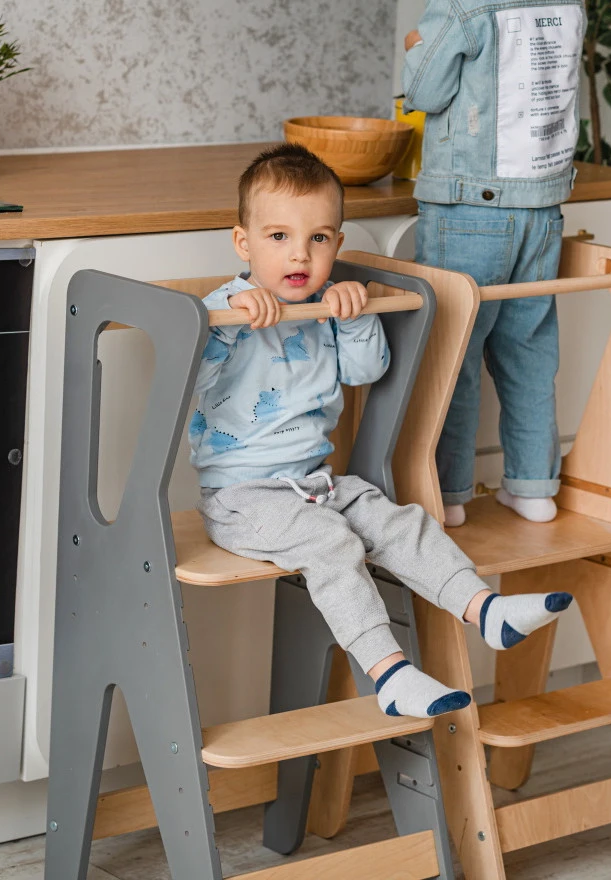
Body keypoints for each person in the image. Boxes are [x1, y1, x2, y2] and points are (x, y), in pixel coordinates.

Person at [191, 143, 572, 718]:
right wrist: (226, 321)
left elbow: (365, 372)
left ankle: (485, 610)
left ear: (337, 243)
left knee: (398, 521)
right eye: (279, 237)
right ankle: (390, 675)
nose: (300, 253)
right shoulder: (225, 307)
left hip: (315, 484)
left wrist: (356, 314)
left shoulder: (322, 307)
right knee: (332, 543)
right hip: (241, 498)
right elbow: (191, 377)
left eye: (319, 238)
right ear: (244, 243)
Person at [401, 0, 586, 528]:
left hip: (469, 211)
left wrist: (418, 49)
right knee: (530, 350)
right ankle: (534, 487)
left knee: (453, 351)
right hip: (542, 211)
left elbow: (425, 92)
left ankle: (448, 495)